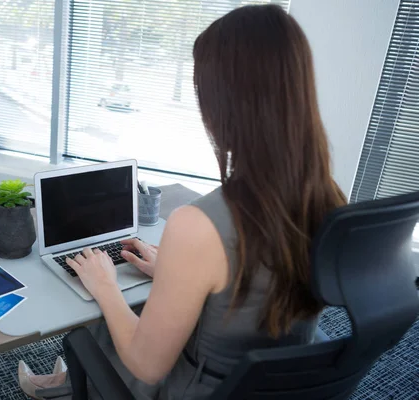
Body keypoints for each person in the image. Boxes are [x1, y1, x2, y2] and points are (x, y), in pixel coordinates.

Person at [18, 4, 347, 399]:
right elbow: (261, 290)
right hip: (276, 385)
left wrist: (105, 285)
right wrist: (176, 274)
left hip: (198, 390)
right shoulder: (328, 195)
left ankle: (73, 385)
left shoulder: (199, 224)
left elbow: (148, 365)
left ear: (223, 104)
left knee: (100, 316)